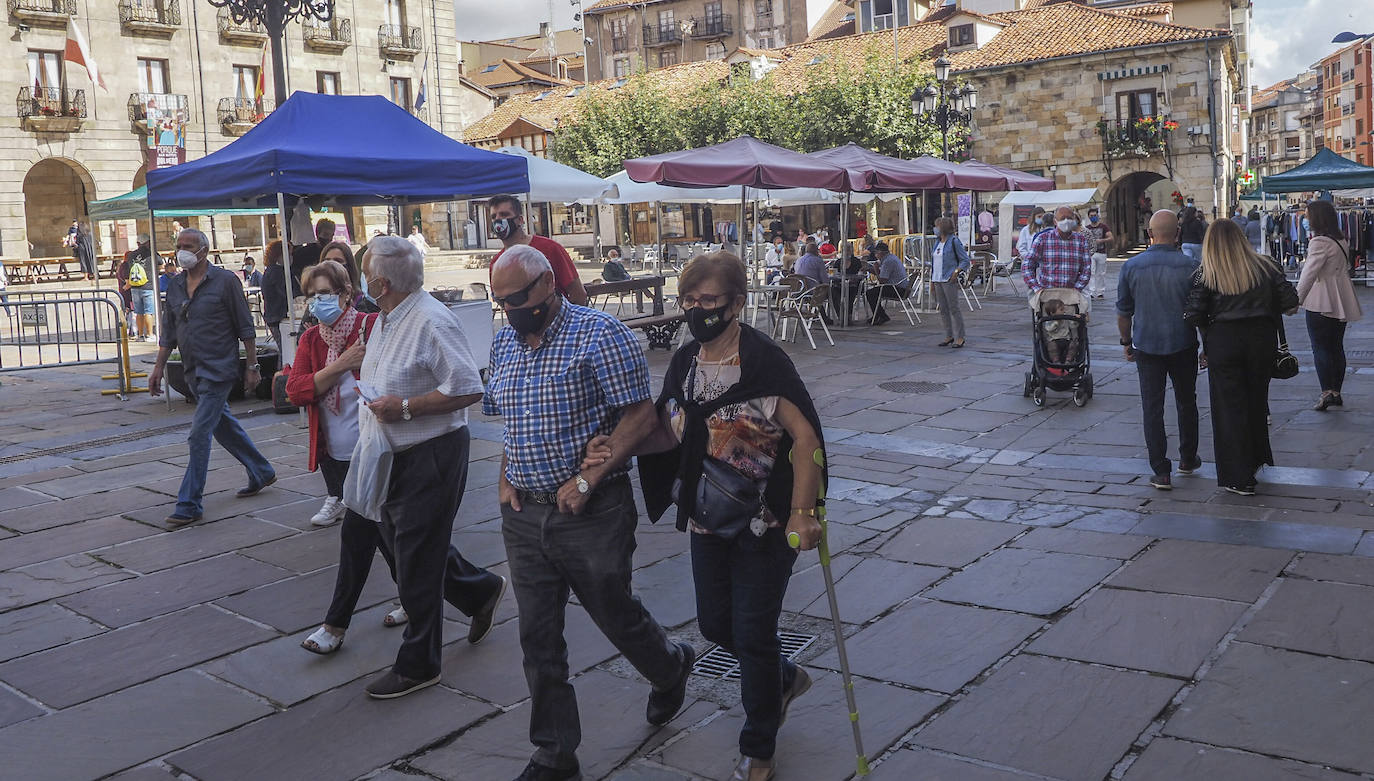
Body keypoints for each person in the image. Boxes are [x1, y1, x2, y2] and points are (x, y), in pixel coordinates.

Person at [581, 251, 823, 781]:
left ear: (736, 303)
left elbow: (805, 436)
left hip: (764, 521)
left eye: (709, 300)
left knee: (753, 631)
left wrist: (804, 512)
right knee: (717, 624)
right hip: (708, 518)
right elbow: (669, 430)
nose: (697, 309)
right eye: (689, 300)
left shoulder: (762, 361)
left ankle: (759, 746)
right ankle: (781, 679)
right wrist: (614, 447)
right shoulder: (687, 361)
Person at [485, 245, 693, 781]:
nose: (509, 310)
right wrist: (507, 474)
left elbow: (641, 413)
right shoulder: (505, 340)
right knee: (538, 636)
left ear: (547, 285)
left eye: (516, 299)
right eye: (499, 301)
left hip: (593, 510)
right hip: (525, 514)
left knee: (612, 609)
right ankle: (555, 754)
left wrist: (589, 477)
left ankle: (669, 666)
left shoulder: (600, 335)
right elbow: (512, 417)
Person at [351, 236, 507, 698]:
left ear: (379, 283)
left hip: (430, 454)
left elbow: (467, 388)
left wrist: (404, 407)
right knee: (403, 550)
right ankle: (478, 591)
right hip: (390, 452)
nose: (363, 280)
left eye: (365, 273)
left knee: (415, 559)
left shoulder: (431, 320)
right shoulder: (387, 317)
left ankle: (420, 662)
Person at [149, 229, 277, 527]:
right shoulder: (177, 284)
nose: (181, 251)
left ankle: (189, 503)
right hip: (193, 370)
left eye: (188, 246)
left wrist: (253, 366)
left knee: (199, 434)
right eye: (178, 245)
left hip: (219, 370)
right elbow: (169, 331)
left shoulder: (225, 282)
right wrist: (158, 367)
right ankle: (261, 470)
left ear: (203, 250)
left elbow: (246, 327)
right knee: (223, 426)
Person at [1184, 219, 1298, 495]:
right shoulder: (1266, 266)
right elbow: (1291, 304)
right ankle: (1255, 459)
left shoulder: (1206, 273)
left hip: (1224, 342)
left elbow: (1194, 314)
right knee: (1256, 403)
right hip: (1260, 341)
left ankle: (1238, 474)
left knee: (1228, 409)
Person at [1116, 210, 1201, 490]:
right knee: (1186, 401)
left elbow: (1124, 311)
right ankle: (1187, 458)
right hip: (1183, 343)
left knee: (1152, 407)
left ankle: (1160, 470)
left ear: (1149, 234)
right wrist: (1208, 346)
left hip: (1147, 345)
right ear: (1177, 233)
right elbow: (1202, 311)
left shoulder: (1131, 266)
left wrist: (1126, 342)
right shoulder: (1191, 266)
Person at [1298, 199, 1363, 411]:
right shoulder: (1340, 239)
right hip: (1341, 297)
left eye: (1307, 216)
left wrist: (1294, 301)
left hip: (1321, 300)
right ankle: (1336, 391)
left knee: (1320, 347)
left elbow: (1309, 275)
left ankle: (1326, 392)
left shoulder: (1319, 243)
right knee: (1336, 346)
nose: (1305, 220)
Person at [488, 195, 589, 306]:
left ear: (520, 220)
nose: (498, 220)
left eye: (504, 215)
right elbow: (502, 301)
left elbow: (578, 294)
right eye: (493, 217)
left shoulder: (550, 248)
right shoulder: (496, 263)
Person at [1022, 207, 1093, 304]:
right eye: (1063, 218)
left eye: (1069, 218)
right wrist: (1036, 288)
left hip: (1072, 294)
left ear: (1074, 220)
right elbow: (1027, 265)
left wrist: (1078, 289)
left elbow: (1086, 268)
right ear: (1055, 221)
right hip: (1047, 294)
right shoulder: (1042, 239)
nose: (1066, 221)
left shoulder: (1081, 240)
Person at [932, 217, 971, 348]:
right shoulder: (937, 242)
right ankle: (949, 335)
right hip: (937, 278)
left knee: (954, 308)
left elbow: (965, 260)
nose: (935, 229)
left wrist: (956, 272)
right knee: (942, 309)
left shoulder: (954, 241)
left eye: (937, 226)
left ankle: (960, 336)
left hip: (948, 278)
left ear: (942, 227)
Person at [865, 241, 908, 326]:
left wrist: (876, 269)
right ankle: (877, 315)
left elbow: (882, 280)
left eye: (876, 253)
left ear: (880, 252)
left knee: (870, 293)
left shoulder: (888, 261)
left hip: (897, 289)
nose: (875, 255)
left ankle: (881, 315)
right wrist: (869, 269)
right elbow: (883, 274)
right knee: (874, 292)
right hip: (900, 287)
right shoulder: (890, 258)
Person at [290, 218, 335, 298]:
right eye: (325, 235)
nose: (329, 238)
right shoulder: (303, 252)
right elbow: (295, 274)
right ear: (318, 234)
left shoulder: (332, 252)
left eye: (331, 235)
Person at [125, 234, 157, 342]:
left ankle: (140, 335)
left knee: (139, 312)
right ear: (148, 242)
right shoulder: (151, 253)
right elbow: (161, 264)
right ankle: (150, 334)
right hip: (148, 285)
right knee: (149, 311)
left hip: (135, 286)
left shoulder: (131, 255)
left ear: (138, 243)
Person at [260, 240, 288, 352]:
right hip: (277, 316)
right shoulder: (276, 272)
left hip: (271, 315)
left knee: (283, 349)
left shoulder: (269, 271)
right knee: (284, 350)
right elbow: (284, 292)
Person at [1083, 207, 1114, 300]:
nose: (1093, 217)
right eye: (1091, 216)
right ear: (1088, 217)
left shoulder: (1103, 227)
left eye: (1095, 215)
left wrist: (1101, 240)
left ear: (1098, 216)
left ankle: (1100, 292)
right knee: (1091, 272)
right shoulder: (1087, 228)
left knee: (1101, 273)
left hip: (1101, 252)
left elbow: (1111, 237)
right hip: (1090, 253)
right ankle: (1092, 292)